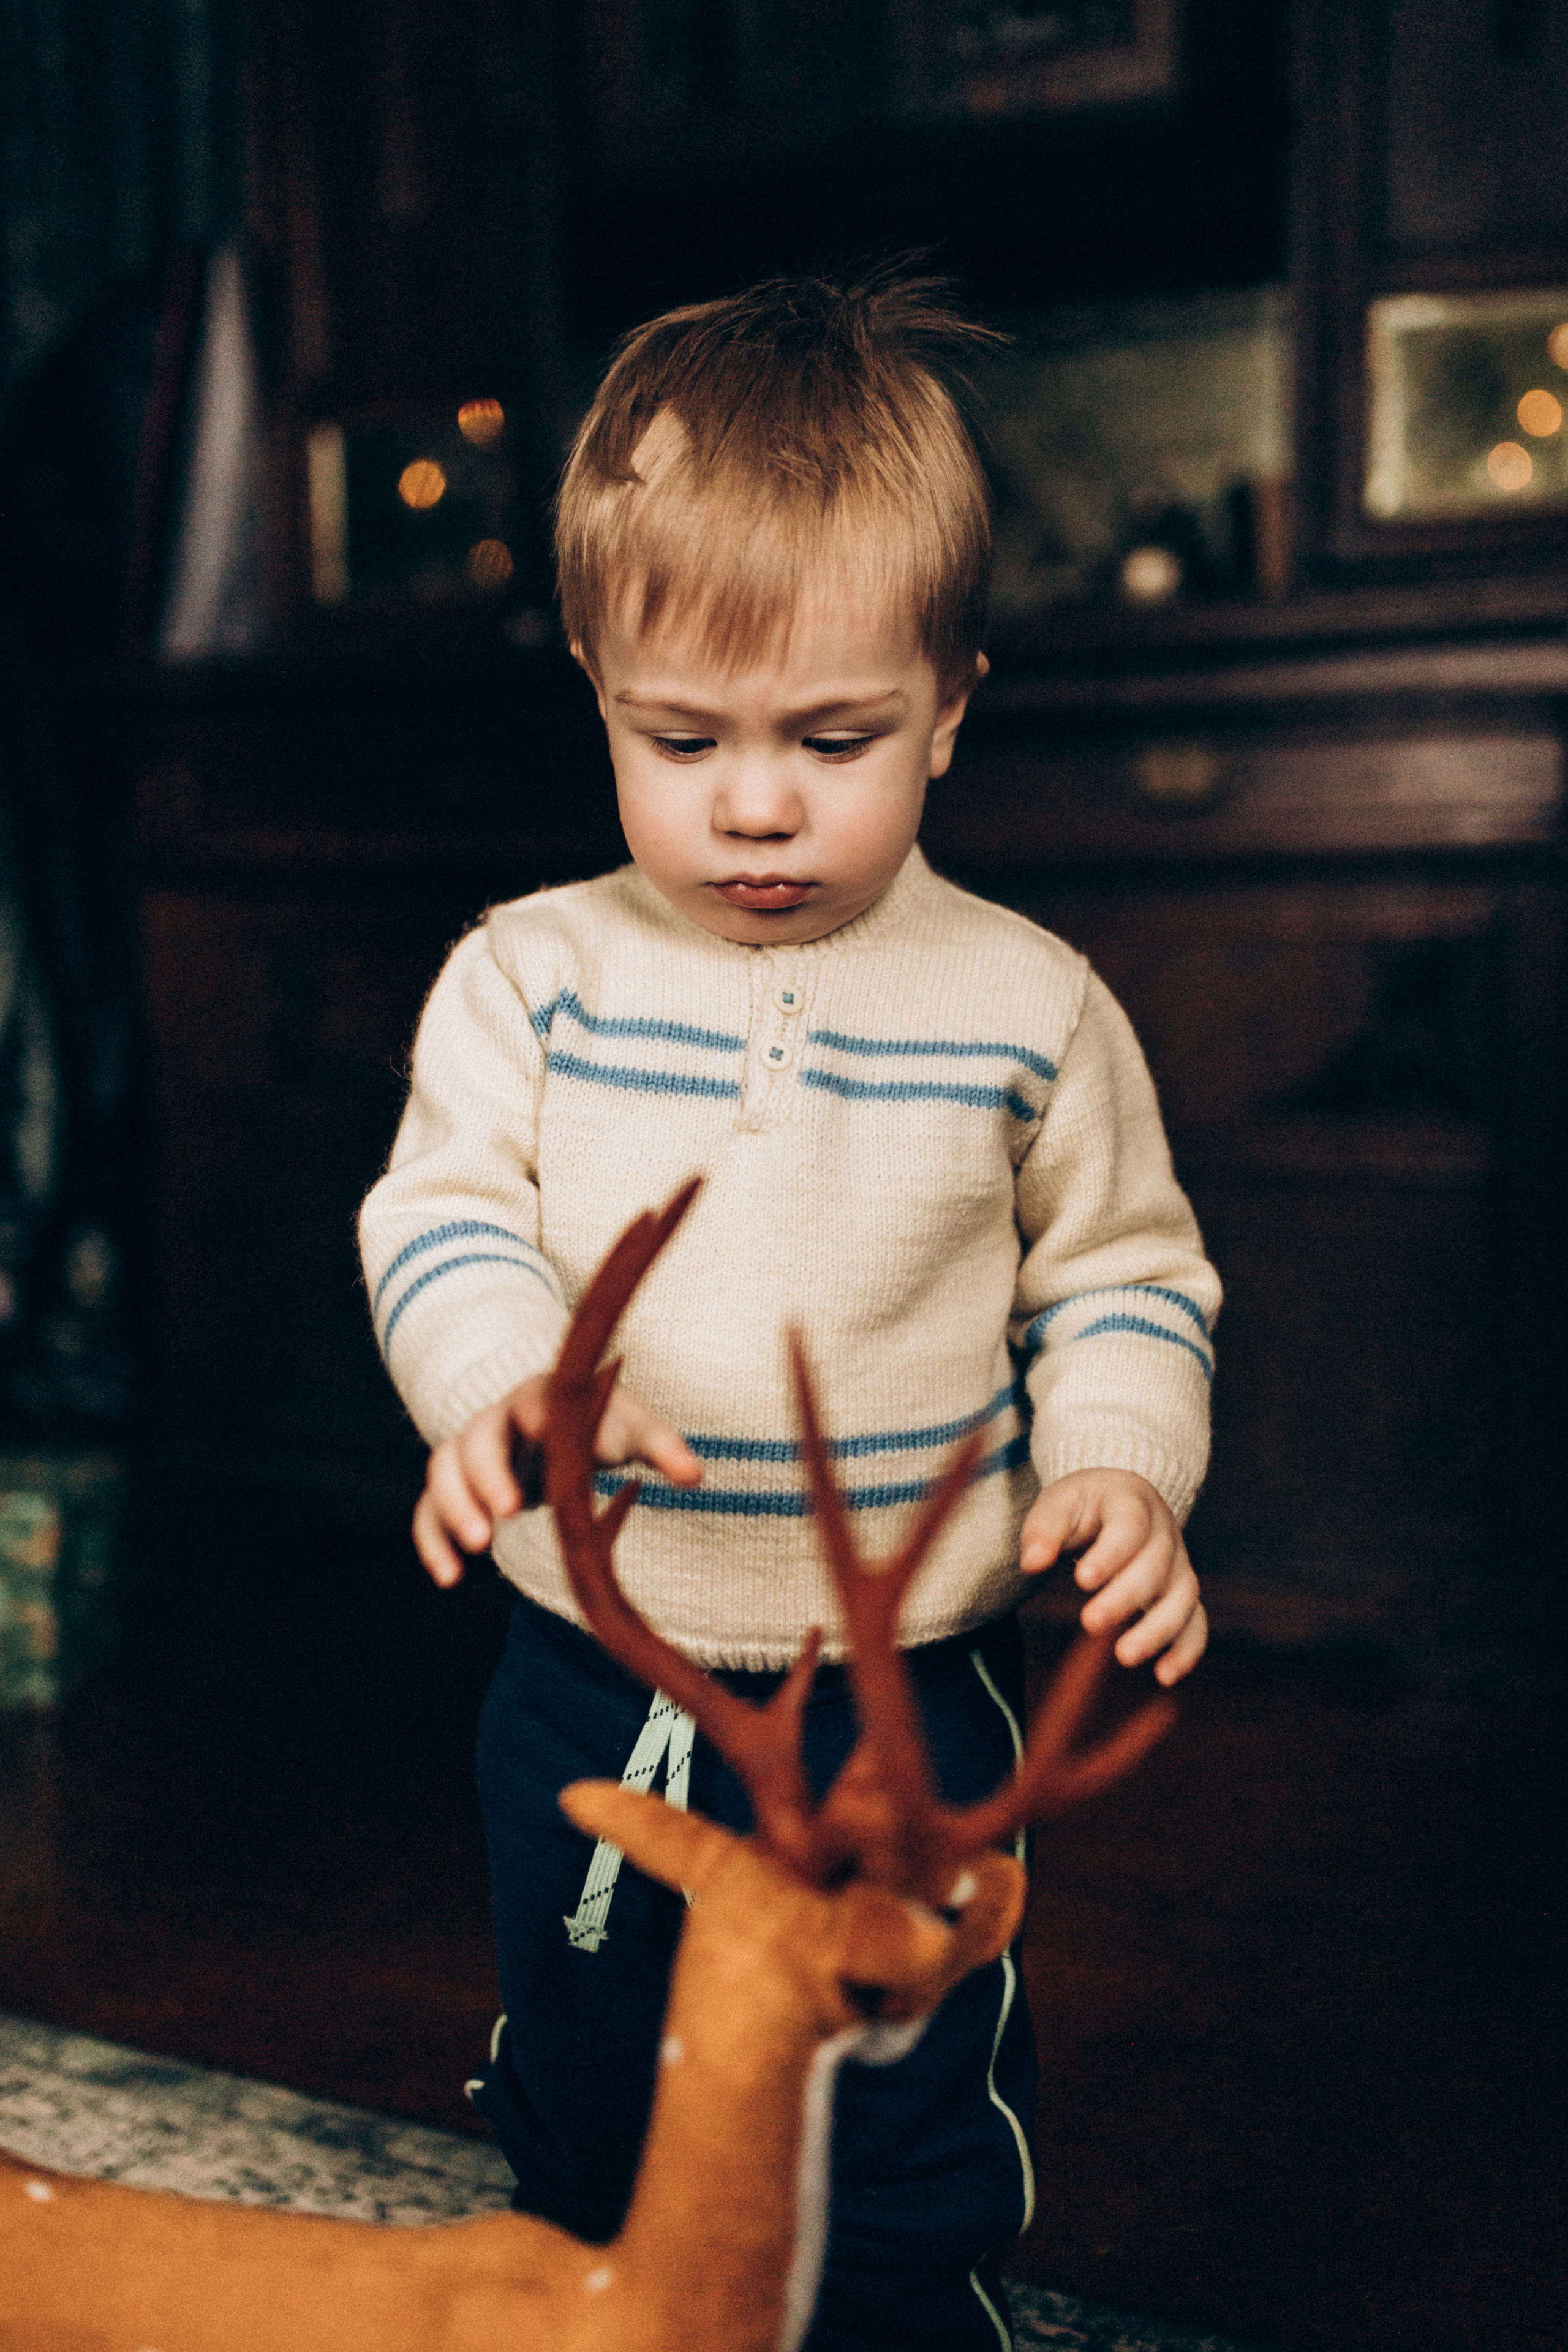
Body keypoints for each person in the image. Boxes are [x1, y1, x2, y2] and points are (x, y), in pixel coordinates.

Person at [358, 271, 1220, 2352]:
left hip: (903, 1692)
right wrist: (496, 1388)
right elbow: (439, 1216)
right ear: (595, 689)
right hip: (600, 1660)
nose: (756, 803)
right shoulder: (526, 978)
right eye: (684, 738)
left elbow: (1127, 1271)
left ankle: (911, 2312)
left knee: (903, 2081)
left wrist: (1122, 1466)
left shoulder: (1030, 1007)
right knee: (591, 2061)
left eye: (832, 740)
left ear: (949, 704)